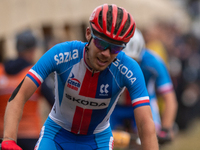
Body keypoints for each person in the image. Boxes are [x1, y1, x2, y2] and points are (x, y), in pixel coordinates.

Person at [1, 4, 159, 150]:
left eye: (115, 48)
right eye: (101, 43)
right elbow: (19, 95)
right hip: (56, 135)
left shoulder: (128, 69)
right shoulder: (63, 54)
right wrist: (9, 138)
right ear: (89, 34)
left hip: (97, 141)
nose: (105, 53)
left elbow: (145, 123)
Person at [110, 29, 178, 145]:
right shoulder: (106, 59)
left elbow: (170, 99)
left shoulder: (153, 61)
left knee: (148, 140)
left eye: (134, 61)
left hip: (143, 103)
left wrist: (165, 129)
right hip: (115, 106)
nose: (129, 66)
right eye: (123, 62)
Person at [0, 29, 54, 150]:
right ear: (33, 50)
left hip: (5, 137)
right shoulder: (35, 74)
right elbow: (54, 104)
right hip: (31, 135)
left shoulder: (1, 71)